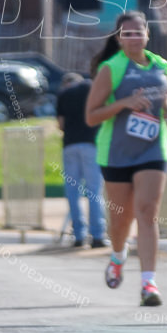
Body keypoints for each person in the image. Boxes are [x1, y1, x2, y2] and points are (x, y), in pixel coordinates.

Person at [85, 11, 167, 306]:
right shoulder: (111, 68)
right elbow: (91, 116)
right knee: (121, 220)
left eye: (139, 32)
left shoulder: (161, 64)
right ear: (119, 38)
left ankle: (148, 283)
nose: (134, 38)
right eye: (128, 33)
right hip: (117, 151)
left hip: (153, 148)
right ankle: (118, 255)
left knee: (147, 211)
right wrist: (124, 103)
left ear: (148, 35)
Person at [56, 71, 107, 248]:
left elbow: (61, 125)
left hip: (70, 145)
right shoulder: (91, 88)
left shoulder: (63, 94)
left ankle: (78, 235)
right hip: (92, 145)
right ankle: (98, 235)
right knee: (94, 191)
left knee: (73, 192)